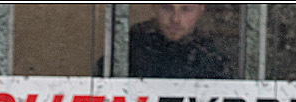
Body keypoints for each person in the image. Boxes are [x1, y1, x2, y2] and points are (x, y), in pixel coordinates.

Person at [96, 4, 232, 79]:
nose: (175, 19)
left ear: (201, 9)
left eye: (186, 9)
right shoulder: (130, 48)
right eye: (167, 8)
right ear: (153, 7)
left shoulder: (213, 58)